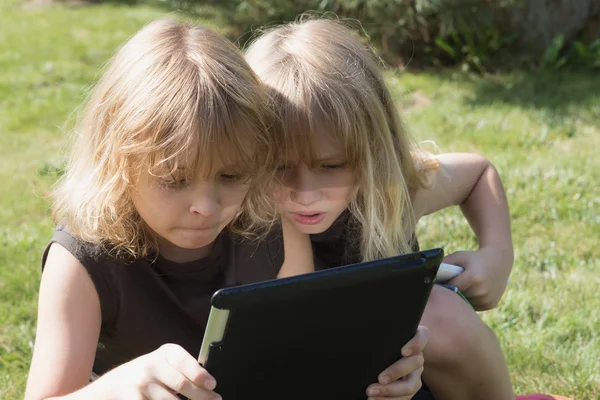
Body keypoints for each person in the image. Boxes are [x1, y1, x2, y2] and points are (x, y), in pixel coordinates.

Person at [24, 18, 427, 400]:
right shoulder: (83, 257)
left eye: (231, 176)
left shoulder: (270, 222)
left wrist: (378, 375)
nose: (206, 206)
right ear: (116, 163)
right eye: (174, 180)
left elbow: (300, 357)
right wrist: (121, 385)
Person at [244, 18, 516, 400]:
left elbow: (477, 173)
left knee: (441, 314)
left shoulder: (389, 186)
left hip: (398, 376)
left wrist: (497, 254)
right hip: (298, 376)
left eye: (332, 165)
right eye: (278, 167)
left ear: (374, 148)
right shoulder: (238, 211)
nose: (305, 194)